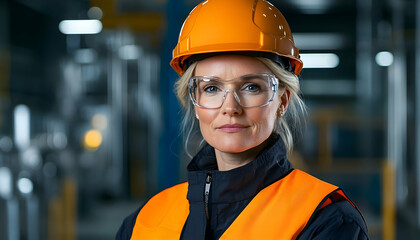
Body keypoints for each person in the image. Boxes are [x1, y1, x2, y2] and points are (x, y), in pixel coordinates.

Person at [117, 0, 369, 239]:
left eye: (251, 87)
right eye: (211, 88)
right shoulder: (144, 221)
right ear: (194, 102)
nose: (230, 107)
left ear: (282, 101)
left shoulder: (326, 221)